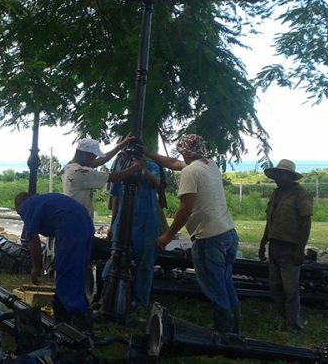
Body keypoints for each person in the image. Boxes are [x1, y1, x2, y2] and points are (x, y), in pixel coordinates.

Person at [142, 134, 240, 334]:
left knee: (215, 288)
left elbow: (185, 209)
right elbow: (173, 163)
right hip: (228, 233)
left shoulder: (190, 173)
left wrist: (167, 236)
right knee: (226, 283)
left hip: (208, 237)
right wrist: (148, 153)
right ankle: (235, 330)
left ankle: (224, 336)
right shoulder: (209, 165)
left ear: (185, 152)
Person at [14, 192, 95, 330]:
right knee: (76, 271)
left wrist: (36, 268)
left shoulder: (26, 205)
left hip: (70, 227)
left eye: (19, 213)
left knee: (66, 273)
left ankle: (76, 322)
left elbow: (33, 239)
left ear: (19, 206)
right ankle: (74, 312)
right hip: (85, 223)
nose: (22, 217)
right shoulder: (42, 201)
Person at [258, 159, 313, 334]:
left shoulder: (300, 194)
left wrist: (300, 249)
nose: (277, 178)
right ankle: (282, 318)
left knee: (291, 289)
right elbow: (270, 221)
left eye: (281, 175)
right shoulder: (275, 194)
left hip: (290, 247)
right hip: (274, 245)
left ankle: (294, 325)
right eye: (276, 175)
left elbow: (306, 222)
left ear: (289, 177)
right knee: (275, 286)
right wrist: (263, 243)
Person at [102, 155, 161, 310]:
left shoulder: (152, 167)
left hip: (147, 224)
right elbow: (115, 198)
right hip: (122, 222)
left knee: (145, 263)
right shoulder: (121, 169)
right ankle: (106, 296)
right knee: (116, 258)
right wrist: (112, 225)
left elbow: (156, 184)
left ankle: (140, 302)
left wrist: (142, 169)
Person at [62, 136, 143, 219]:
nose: (94, 160)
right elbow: (114, 177)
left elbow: (101, 161)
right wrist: (135, 167)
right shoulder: (79, 172)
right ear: (84, 155)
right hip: (78, 218)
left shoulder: (70, 167)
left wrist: (120, 145)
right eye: (93, 157)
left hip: (72, 215)